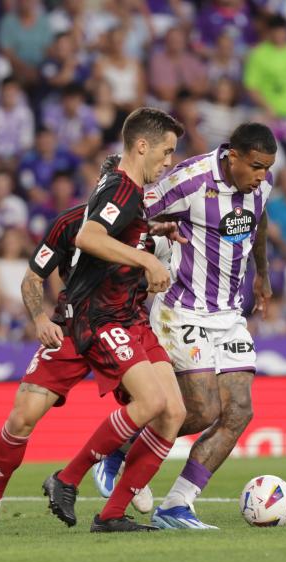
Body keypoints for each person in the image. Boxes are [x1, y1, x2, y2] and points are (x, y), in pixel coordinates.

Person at [0, 154, 177, 525]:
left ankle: (124, 479)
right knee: (22, 417)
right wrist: (40, 317)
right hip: (73, 329)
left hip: (123, 327)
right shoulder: (69, 224)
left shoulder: (144, 230)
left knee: (157, 406)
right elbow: (32, 278)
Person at [97, 122, 277, 530]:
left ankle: (177, 504)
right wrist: (144, 257)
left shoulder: (260, 185)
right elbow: (132, 213)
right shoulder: (189, 180)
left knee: (239, 411)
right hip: (182, 306)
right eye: (256, 167)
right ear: (233, 156)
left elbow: (259, 219)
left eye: (267, 168)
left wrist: (262, 273)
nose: (262, 176)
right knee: (199, 409)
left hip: (229, 313)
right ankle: (117, 451)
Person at [41, 108, 187, 533]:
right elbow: (88, 236)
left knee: (173, 413)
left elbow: (114, 231)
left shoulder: (127, 190)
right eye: (166, 151)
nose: (169, 161)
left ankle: (111, 515)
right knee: (151, 403)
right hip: (101, 316)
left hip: (129, 313)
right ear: (142, 145)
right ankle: (67, 478)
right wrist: (144, 256)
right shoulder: (122, 188)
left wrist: (151, 233)